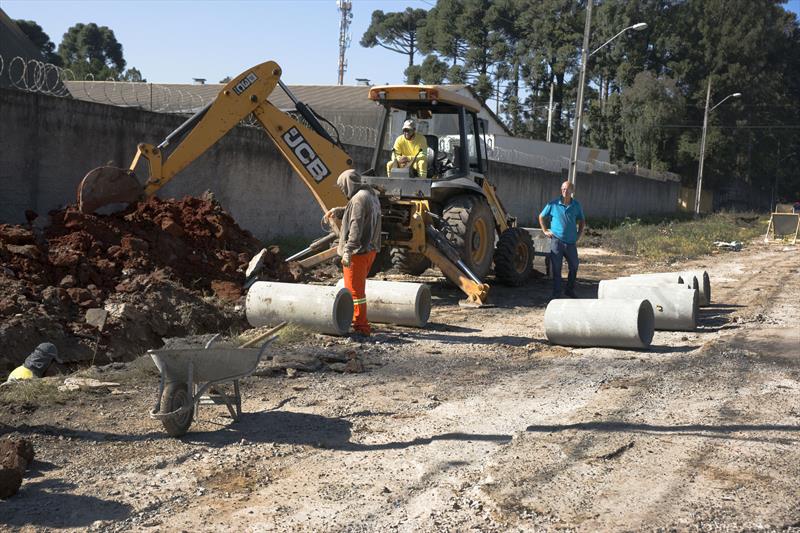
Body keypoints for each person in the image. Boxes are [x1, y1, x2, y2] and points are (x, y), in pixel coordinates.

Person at [325, 169, 382, 336]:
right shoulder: (370, 194)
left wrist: (348, 250)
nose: (342, 190)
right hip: (370, 250)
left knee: (355, 293)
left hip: (358, 252)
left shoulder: (358, 199)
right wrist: (340, 211)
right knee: (357, 290)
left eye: (342, 186)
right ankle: (357, 320)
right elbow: (360, 213)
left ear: (348, 183)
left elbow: (356, 225)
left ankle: (361, 327)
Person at [539, 181, 585, 299]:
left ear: (572, 191)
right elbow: (541, 216)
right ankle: (557, 294)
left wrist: (579, 234)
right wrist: (545, 230)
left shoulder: (576, 205)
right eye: (563, 188)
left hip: (570, 243)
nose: (565, 191)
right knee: (556, 268)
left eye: (568, 189)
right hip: (557, 241)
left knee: (574, 265)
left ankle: (569, 290)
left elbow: (581, 220)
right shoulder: (553, 204)